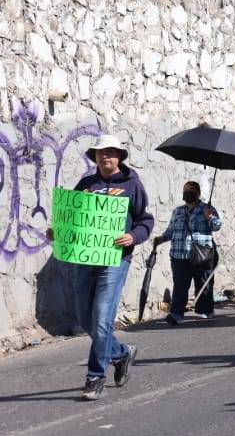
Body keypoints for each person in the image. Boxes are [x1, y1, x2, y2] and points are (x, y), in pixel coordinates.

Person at [54, 134, 154, 401]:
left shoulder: (132, 184)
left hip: (114, 259)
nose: (105, 156)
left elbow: (145, 220)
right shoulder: (87, 183)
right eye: (100, 152)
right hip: (86, 259)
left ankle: (95, 377)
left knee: (101, 319)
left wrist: (133, 236)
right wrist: (60, 232)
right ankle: (121, 353)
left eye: (110, 152)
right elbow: (71, 216)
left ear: (119, 156)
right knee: (85, 318)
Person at [157, 180, 222, 324]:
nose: (188, 192)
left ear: (198, 193)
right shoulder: (178, 211)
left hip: (201, 254)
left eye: (191, 190)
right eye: (186, 189)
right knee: (180, 285)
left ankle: (205, 310)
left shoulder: (207, 209)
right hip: (179, 254)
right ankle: (176, 314)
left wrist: (209, 217)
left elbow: (217, 226)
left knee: (203, 283)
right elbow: (171, 231)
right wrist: (161, 239)